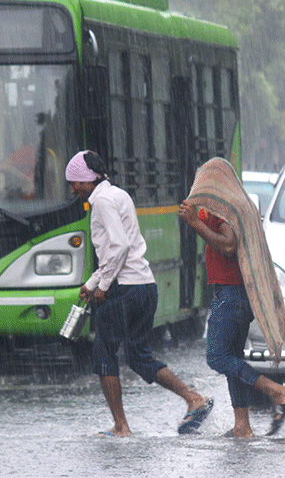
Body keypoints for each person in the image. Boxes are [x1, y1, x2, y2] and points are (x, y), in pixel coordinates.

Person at [66, 150, 213, 437]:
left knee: (104, 354)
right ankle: (193, 398)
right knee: (138, 355)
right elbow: (122, 249)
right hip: (145, 285)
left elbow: (119, 246)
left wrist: (104, 286)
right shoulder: (119, 195)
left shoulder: (102, 203)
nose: (72, 188)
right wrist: (93, 281)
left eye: (75, 182)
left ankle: (121, 426)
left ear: (86, 180)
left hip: (125, 289)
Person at [179, 159, 285, 438]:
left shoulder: (225, 208)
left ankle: (277, 391)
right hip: (238, 293)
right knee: (233, 359)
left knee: (217, 356)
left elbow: (227, 245)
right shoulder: (238, 203)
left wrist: (195, 223)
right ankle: (243, 426)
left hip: (231, 293)